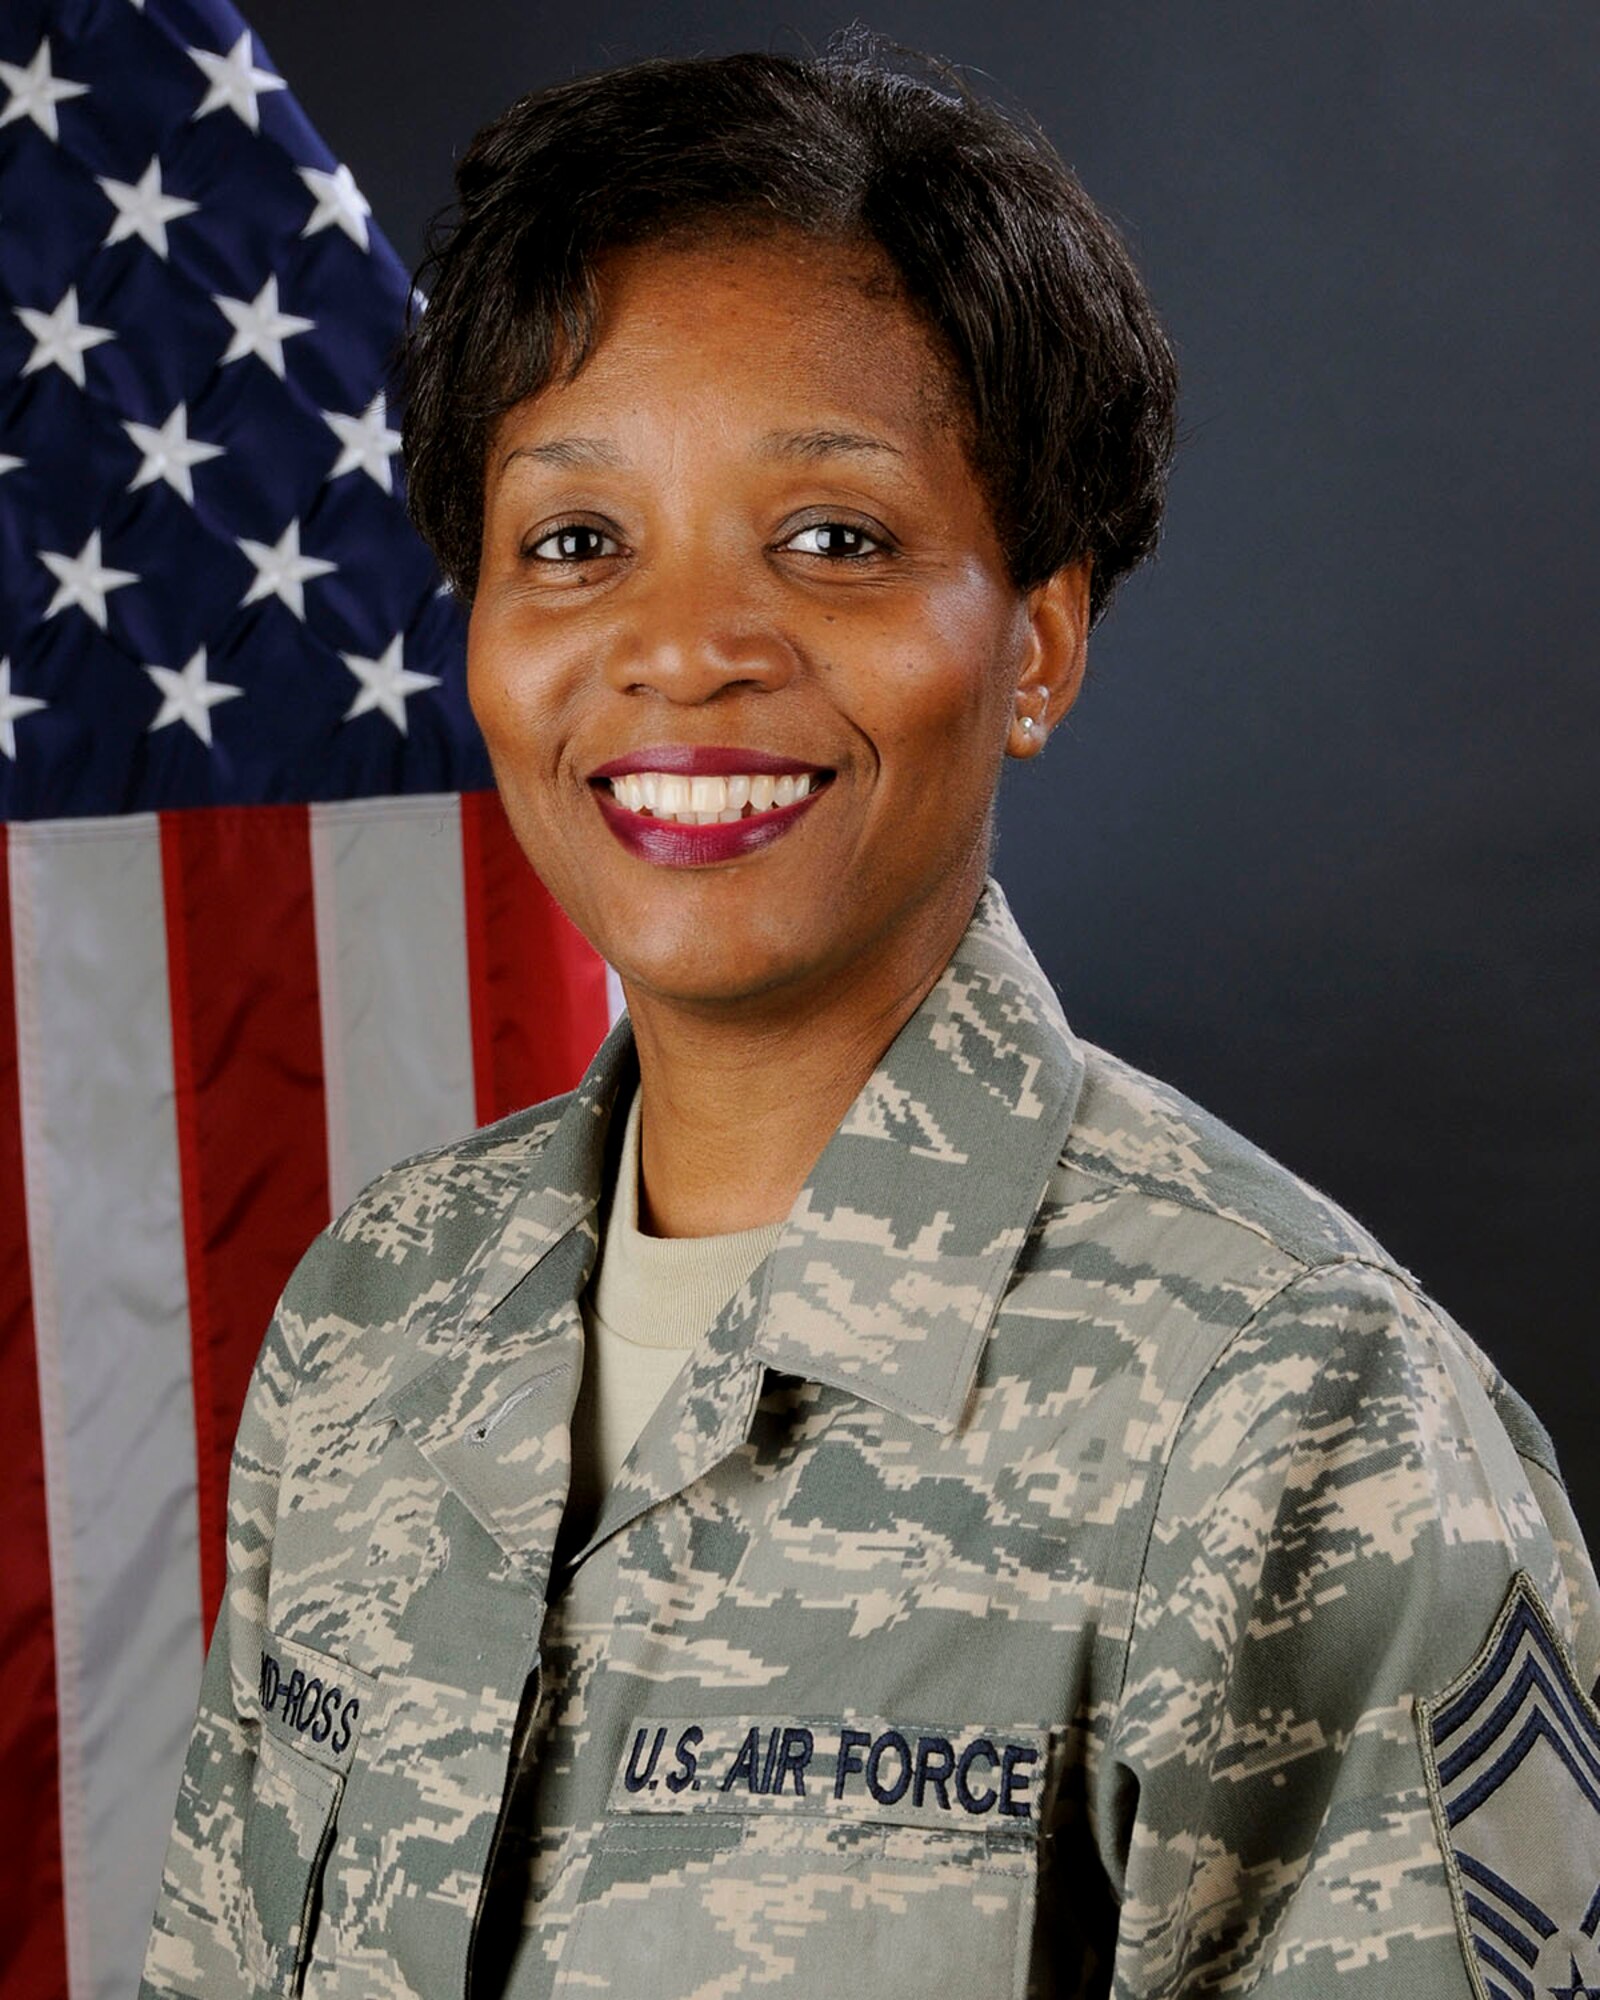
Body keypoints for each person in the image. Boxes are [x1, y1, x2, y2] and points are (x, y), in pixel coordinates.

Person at [141, 31, 1600, 2000]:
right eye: (571, 543)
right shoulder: (375, 1316)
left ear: (1036, 641)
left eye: (832, 540)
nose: (681, 649)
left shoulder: (1288, 1424)